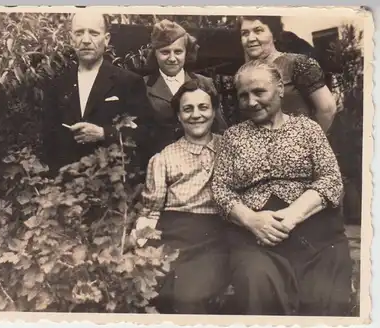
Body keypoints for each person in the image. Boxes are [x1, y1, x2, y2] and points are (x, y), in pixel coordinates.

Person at [210, 60, 352, 316]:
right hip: (255, 235)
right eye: (243, 96)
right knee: (256, 280)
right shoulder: (233, 136)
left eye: (259, 92)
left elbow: (331, 179)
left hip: (314, 228)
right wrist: (251, 220)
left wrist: (292, 215)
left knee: (325, 290)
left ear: (280, 89)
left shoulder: (308, 128)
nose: (251, 102)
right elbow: (221, 190)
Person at [133, 78, 231, 314]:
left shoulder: (231, 147)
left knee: (190, 296)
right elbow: (151, 209)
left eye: (203, 107)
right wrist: (139, 241)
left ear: (214, 111)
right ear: (178, 116)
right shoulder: (164, 157)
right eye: (187, 109)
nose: (196, 115)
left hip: (214, 234)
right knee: (152, 287)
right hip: (173, 230)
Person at [41, 12, 156, 174]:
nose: (86, 40)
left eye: (94, 33)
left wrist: (104, 133)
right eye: (79, 33)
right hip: (66, 187)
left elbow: (148, 131)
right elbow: (48, 138)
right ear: (71, 39)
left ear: (106, 39)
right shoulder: (57, 83)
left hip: (112, 182)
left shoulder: (128, 82)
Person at [237, 16, 337, 133]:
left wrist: (308, 142)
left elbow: (327, 109)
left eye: (258, 31)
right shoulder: (244, 73)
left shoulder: (297, 63)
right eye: (245, 33)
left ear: (273, 34)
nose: (251, 38)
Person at [143, 19, 228, 156]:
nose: (172, 58)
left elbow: (220, 128)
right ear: (155, 53)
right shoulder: (143, 86)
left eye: (178, 52)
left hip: (203, 157)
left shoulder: (204, 83)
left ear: (186, 53)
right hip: (161, 159)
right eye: (165, 52)